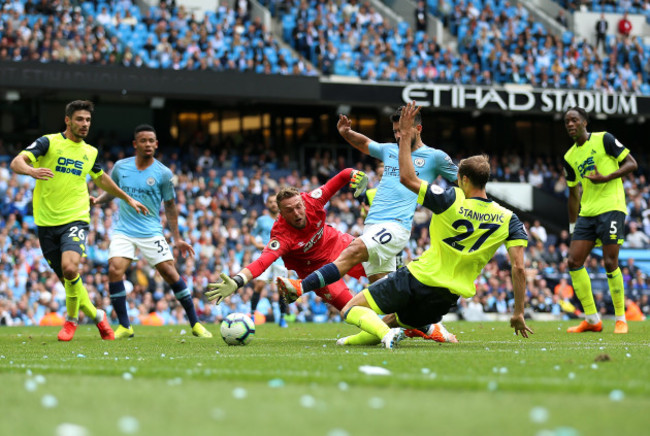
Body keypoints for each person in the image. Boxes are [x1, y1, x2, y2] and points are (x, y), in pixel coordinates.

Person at [339, 102, 532, 348]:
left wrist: (406, 135)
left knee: (350, 310)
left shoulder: (449, 198)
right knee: (390, 322)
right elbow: (519, 269)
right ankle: (357, 341)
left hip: (418, 277)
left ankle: (383, 334)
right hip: (447, 298)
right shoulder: (509, 218)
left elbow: (407, 178)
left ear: (461, 178)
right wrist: (518, 312)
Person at [277, 105, 458, 343]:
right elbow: (366, 144)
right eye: (395, 131)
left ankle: (300, 287)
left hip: (396, 226)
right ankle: (426, 326)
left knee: (352, 251)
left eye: (402, 131)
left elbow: (463, 181)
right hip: (373, 226)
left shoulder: (435, 157)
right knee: (388, 298)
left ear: (418, 129)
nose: (398, 136)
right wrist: (346, 133)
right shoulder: (391, 150)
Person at [10, 100, 148, 341]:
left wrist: (127, 198)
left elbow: (101, 178)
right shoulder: (48, 142)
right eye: (80, 120)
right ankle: (98, 316)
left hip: (76, 217)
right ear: (68, 120)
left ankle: (71, 321)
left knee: (71, 268)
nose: (85, 124)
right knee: (69, 281)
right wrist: (32, 171)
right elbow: (16, 162)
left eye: (88, 120)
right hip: (45, 221)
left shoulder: (90, 151)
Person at [92, 124, 212, 338]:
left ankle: (195, 323)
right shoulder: (121, 167)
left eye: (151, 141)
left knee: (169, 272)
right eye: (143, 141)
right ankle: (125, 326)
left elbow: (170, 205)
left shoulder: (163, 173)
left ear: (156, 144)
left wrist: (177, 239)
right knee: (114, 269)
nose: (148, 144)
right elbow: (113, 191)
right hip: (124, 230)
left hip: (151, 231)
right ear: (135, 144)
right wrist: (98, 200)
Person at [205, 169, 369, 313]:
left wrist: (355, 175)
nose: (297, 213)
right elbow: (262, 263)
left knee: (383, 267)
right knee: (352, 309)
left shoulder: (313, 200)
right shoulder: (282, 236)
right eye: (289, 211)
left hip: (337, 244)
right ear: (281, 213)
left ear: (303, 203)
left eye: (298, 206)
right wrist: (237, 281)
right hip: (315, 270)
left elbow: (342, 176)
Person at [562, 106, 638, 334]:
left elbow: (632, 163)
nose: (570, 124)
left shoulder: (604, 139)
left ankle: (620, 318)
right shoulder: (569, 157)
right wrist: (573, 227)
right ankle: (592, 319)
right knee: (573, 261)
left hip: (612, 208)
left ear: (585, 122)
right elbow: (573, 194)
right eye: (567, 122)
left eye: (574, 120)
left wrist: (608, 176)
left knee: (609, 262)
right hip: (587, 213)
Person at [249, 194, 291, 327]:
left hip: (280, 259)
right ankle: (251, 314)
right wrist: (257, 245)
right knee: (259, 285)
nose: (273, 204)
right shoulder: (261, 220)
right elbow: (252, 235)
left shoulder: (285, 219)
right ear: (267, 204)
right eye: (270, 202)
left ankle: (282, 318)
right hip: (266, 257)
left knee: (281, 290)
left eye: (275, 202)